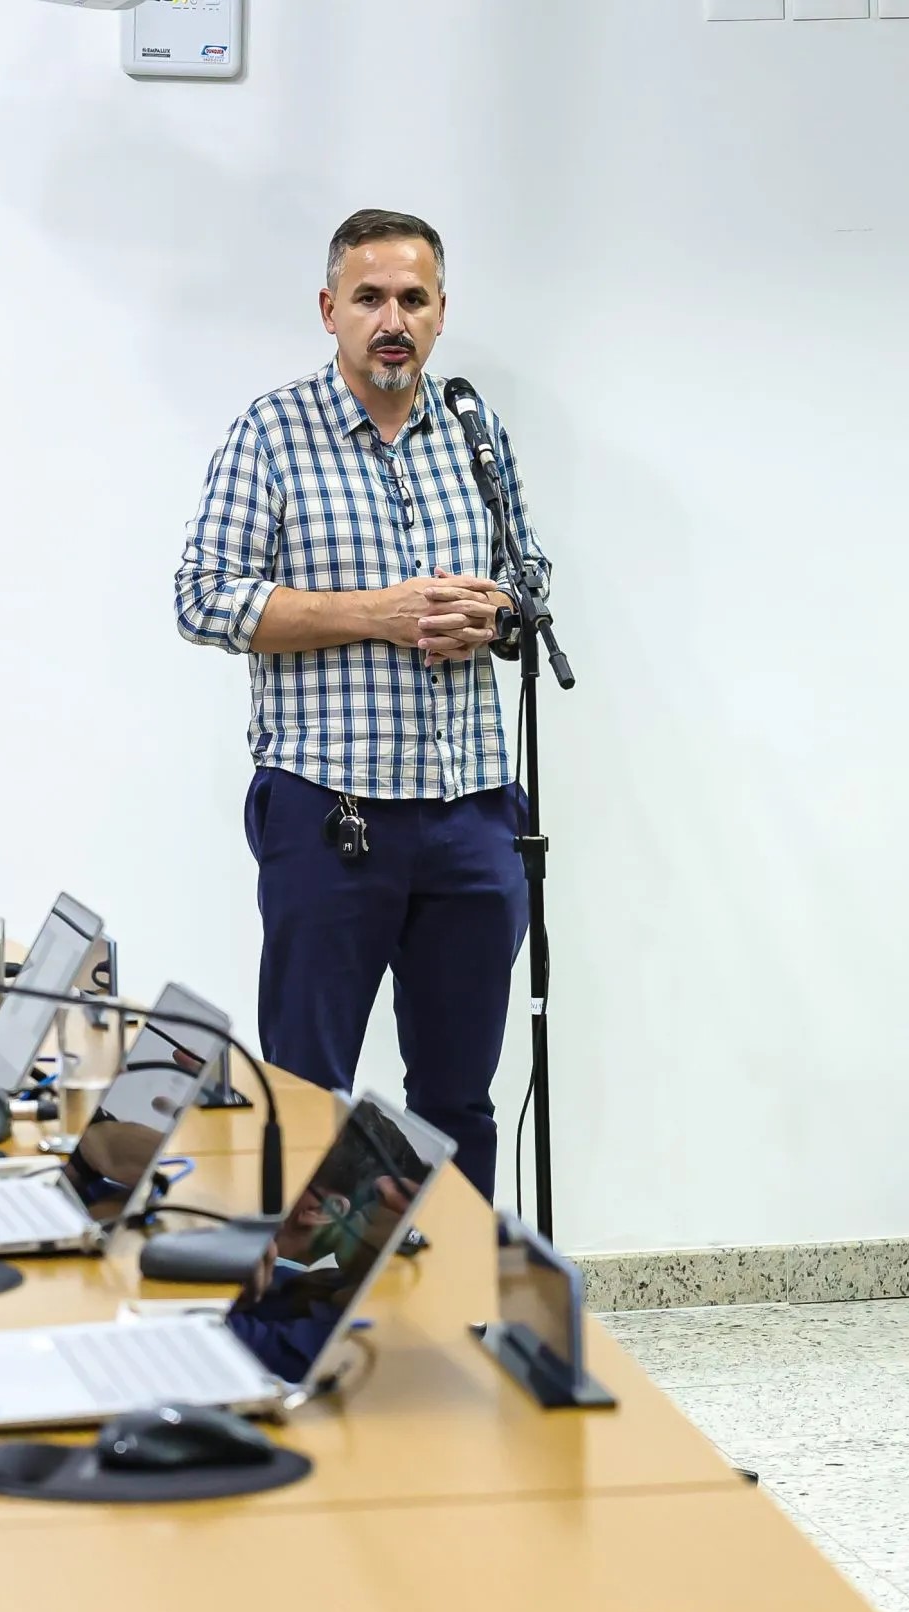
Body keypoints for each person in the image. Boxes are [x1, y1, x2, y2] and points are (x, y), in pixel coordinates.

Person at [174, 208, 550, 1199]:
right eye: (372, 298)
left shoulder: (474, 434)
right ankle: (302, 1323)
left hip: (473, 815)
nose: (393, 319)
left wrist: (497, 616)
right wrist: (376, 614)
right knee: (308, 1093)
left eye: (413, 300)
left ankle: (455, 1317)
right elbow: (205, 596)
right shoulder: (273, 432)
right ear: (329, 308)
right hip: (328, 815)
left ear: (439, 313)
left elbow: (532, 586)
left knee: (458, 1099)